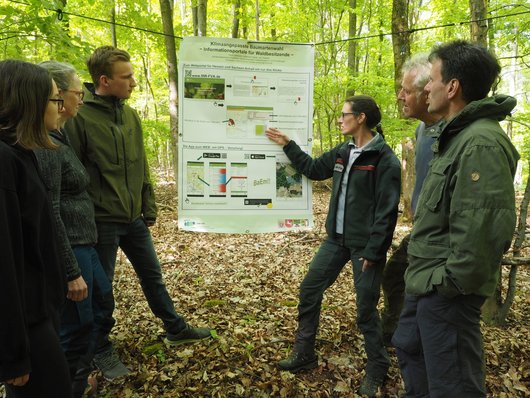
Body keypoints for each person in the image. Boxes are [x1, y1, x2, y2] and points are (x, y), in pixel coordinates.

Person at [65, 46, 211, 380]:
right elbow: (72, 174)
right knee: (101, 291)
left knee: (153, 275)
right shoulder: (81, 116)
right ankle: (99, 347)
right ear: (105, 80)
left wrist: (148, 205)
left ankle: (175, 327)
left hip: (133, 217)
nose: (133, 82)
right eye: (126, 76)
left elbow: (141, 163)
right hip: (100, 221)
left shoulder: (129, 114)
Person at [393, 40, 520, 397]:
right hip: (427, 283)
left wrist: (446, 287)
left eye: (431, 79)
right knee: (410, 349)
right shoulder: (456, 137)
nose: (426, 87)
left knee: (453, 385)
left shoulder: (480, 143)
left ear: (452, 87)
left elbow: (483, 231)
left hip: (445, 292)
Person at [266, 95, 401, 397]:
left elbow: (387, 211)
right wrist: (288, 144)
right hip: (335, 241)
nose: (340, 120)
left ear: (361, 117)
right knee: (309, 289)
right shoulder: (344, 150)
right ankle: (304, 353)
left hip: (365, 247)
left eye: (344, 115)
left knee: (366, 309)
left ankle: (377, 367)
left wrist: (375, 251)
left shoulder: (384, 159)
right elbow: (314, 169)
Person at [35, 60, 115, 397]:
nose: (81, 99)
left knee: (101, 303)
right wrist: (70, 271)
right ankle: (66, 385)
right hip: (72, 248)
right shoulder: (47, 144)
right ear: (54, 95)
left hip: (85, 242)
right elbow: (50, 210)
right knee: (76, 323)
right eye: (76, 93)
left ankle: (80, 378)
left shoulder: (61, 134)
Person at [0, 60, 71, 397]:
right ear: (30, 101)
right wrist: (13, 354)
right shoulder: (3, 162)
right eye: (55, 99)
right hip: (25, 324)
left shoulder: (22, 153)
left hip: (40, 310)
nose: (62, 107)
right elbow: (5, 263)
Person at [380, 54, 442, 345]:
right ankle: (396, 332)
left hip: (439, 239)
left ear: (426, 92)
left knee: (407, 281)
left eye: (406, 91)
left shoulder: (452, 132)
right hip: (421, 229)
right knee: (394, 275)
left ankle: (403, 334)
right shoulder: (422, 129)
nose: (399, 96)